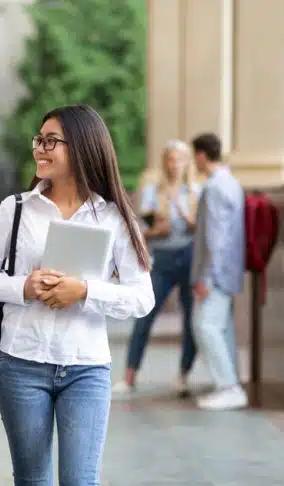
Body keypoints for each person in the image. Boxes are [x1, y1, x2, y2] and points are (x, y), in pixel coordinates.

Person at [0, 104, 155, 486]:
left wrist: (85, 291)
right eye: (39, 140)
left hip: (86, 367)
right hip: (21, 364)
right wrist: (24, 287)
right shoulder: (16, 209)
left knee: (80, 481)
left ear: (83, 147)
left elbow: (142, 297)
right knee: (32, 480)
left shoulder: (115, 218)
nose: (40, 148)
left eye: (52, 141)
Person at [114, 140, 201, 397]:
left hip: (189, 257)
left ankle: (183, 375)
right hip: (162, 258)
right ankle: (129, 377)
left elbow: (199, 228)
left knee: (190, 320)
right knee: (144, 315)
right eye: (170, 159)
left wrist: (180, 207)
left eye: (179, 159)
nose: (174, 164)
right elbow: (145, 229)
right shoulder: (153, 191)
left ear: (187, 164)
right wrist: (155, 231)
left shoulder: (197, 191)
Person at [190, 132, 247, 410]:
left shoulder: (213, 188)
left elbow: (215, 237)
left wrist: (205, 277)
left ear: (201, 155)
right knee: (219, 328)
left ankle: (229, 387)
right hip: (228, 271)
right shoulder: (232, 184)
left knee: (205, 325)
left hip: (216, 273)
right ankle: (227, 384)